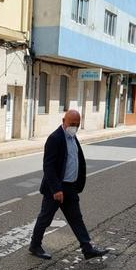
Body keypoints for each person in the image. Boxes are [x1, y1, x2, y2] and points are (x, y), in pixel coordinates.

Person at [29, 109, 109, 261]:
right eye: (72, 124)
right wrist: (56, 189)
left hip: (70, 188)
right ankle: (35, 245)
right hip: (56, 189)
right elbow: (49, 166)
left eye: (77, 124)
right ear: (63, 121)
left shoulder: (73, 138)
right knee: (45, 219)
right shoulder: (55, 138)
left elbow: (75, 159)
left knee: (76, 218)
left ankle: (87, 248)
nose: (74, 127)